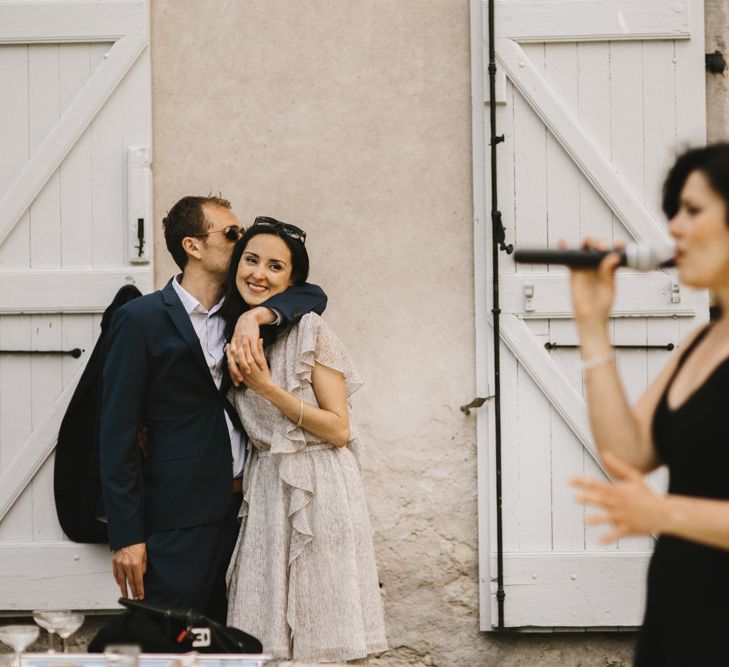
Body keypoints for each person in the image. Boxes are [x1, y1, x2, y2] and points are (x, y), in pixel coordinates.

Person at [98, 196, 327, 622]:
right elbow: (116, 434)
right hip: (179, 514)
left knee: (239, 640)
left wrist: (255, 318)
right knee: (164, 641)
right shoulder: (139, 319)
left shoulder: (245, 307)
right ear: (193, 246)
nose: (242, 243)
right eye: (232, 234)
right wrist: (126, 536)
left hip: (250, 509)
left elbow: (312, 293)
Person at [568, 144, 729, 666]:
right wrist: (593, 327)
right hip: (682, 613)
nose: (675, 229)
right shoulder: (700, 343)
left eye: (694, 210)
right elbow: (627, 454)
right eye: (674, 212)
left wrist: (662, 511)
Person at [222, 217, 388, 662]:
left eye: (275, 267)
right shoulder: (229, 331)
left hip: (320, 487)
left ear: (291, 280)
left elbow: (339, 429)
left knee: (323, 627)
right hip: (266, 490)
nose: (259, 274)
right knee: (262, 633)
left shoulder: (310, 328)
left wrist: (266, 386)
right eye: (251, 260)